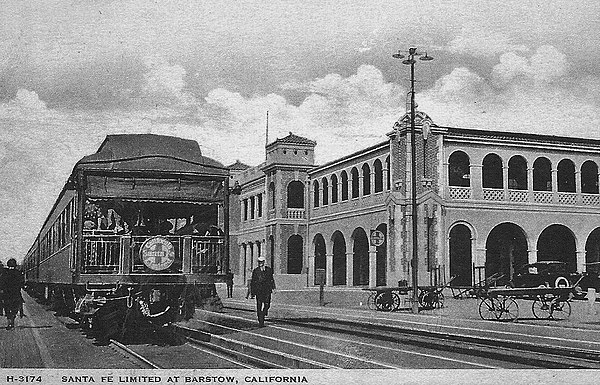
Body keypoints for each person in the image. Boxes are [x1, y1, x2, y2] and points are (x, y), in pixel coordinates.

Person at [250, 257, 275, 327]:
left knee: (267, 304)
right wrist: (252, 292)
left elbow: (271, 279)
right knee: (259, 305)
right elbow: (253, 282)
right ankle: (261, 320)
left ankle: (263, 314)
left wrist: (273, 287)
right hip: (259, 291)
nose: (260, 263)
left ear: (264, 262)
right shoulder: (256, 271)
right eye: (259, 262)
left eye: (261, 262)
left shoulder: (269, 270)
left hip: (267, 290)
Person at [0, 258, 25, 330]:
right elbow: (22, 283)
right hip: (16, 294)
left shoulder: (4, 273)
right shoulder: (18, 273)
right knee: (14, 308)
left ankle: (9, 323)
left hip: (6, 294)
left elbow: (1, 283)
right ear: (15, 264)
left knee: (7, 308)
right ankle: (12, 321)